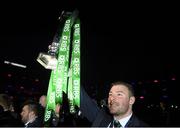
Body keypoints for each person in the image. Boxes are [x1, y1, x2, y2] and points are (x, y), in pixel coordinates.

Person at [80, 81, 149, 127]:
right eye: (110, 94)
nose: (112, 98)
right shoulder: (101, 117)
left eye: (119, 94)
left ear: (131, 100)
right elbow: (81, 97)